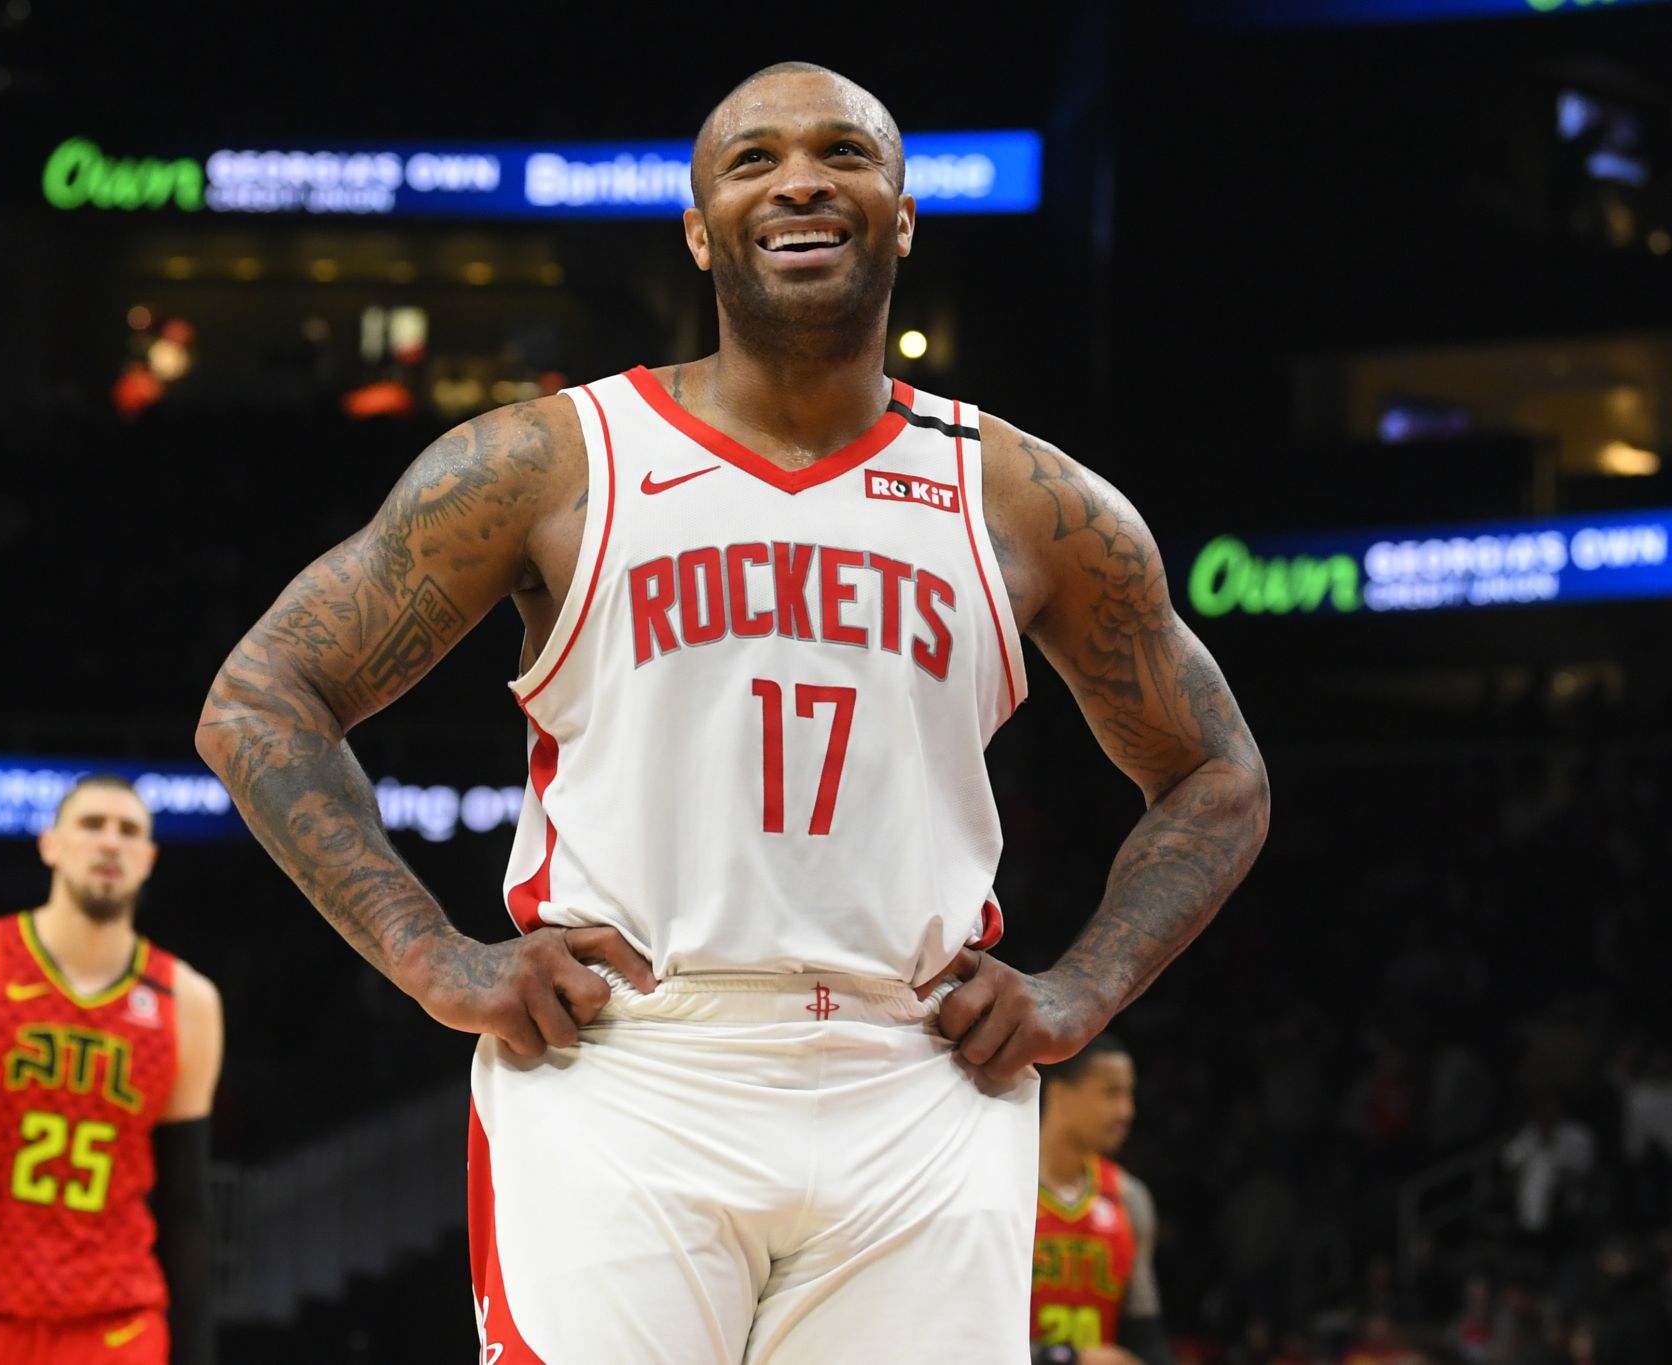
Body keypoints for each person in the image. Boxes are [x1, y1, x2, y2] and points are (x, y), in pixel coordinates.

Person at [196, 60, 1269, 1363]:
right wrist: (433, 957)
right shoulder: (549, 462)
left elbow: (1218, 775)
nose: (799, 181)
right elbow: (261, 700)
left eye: (842, 154)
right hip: (630, 1063)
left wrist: (1081, 991)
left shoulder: (1027, 500)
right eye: (753, 160)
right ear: (700, 231)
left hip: (918, 1070)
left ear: (903, 216)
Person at [0, 775, 224, 1365]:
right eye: (91, 825)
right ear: (50, 844)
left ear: (148, 859)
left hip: (115, 1324)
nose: (110, 842)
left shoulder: (188, 1001)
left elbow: (185, 1202)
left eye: (129, 831)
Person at [1031, 1035, 1172, 1365]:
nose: (1127, 1111)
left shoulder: (1129, 1197)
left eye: (1129, 1094)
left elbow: (1146, 1340)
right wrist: (1067, 1358)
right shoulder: (1004, 1187)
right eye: (1111, 1093)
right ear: (1059, 1094)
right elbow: (964, 1331)